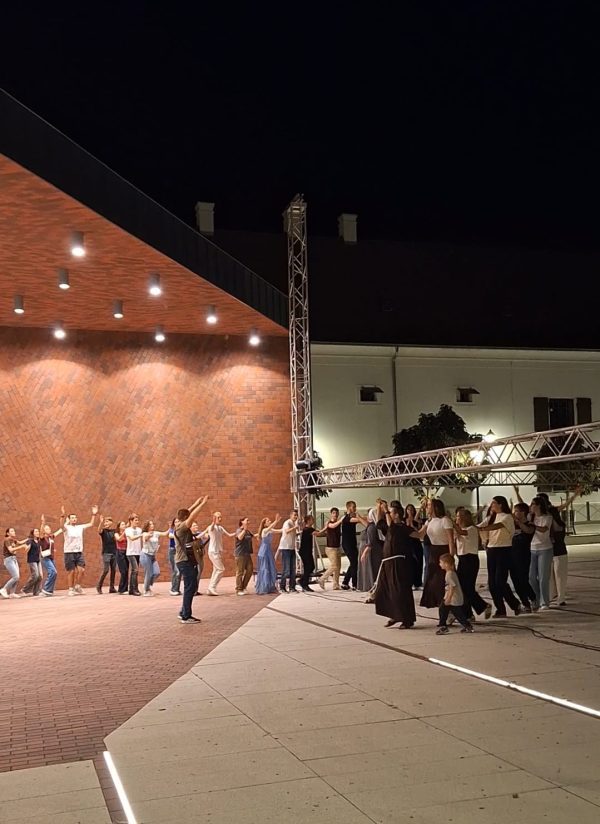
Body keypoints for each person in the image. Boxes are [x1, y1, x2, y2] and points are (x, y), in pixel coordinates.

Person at [374, 502, 418, 629]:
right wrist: (379, 507)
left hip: (400, 564)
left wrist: (386, 510)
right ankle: (394, 614)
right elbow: (379, 522)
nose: (389, 514)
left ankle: (407, 619)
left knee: (400, 590)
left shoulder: (401, 527)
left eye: (391, 512)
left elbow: (418, 534)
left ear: (397, 515)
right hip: (388, 563)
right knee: (386, 590)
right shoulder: (389, 527)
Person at [477, 496, 520, 618]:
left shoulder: (507, 517)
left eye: (494, 503)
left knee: (500, 581)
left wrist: (484, 528)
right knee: (492, 583)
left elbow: (498, 526)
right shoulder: (491, 517)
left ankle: (515, 604)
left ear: (501, 504)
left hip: (504, 550)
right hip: (492, 549)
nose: (492, 505)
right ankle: (500, 609)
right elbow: (479, 526)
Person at [174, 495, 209, 623]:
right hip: (184, 561)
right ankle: (186, 616)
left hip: (184, 560)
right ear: (185, 518)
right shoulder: (182, 527)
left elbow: (188, 513)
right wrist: (202, 504)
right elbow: (192, 516)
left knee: (190, 586)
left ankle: (183, 612)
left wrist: (195, 503)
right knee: (190, 586)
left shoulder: (179, 523)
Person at [454, 509, 492, 621]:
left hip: (470, 560)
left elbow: (463, 533)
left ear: (464, 517)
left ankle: (482, 606)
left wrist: (452, 524)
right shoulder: (460, 530)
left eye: (458, 516)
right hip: (462, 559)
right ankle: (468, 614)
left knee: (468, 588)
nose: (456, 519)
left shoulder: (472, 529)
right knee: (462, 588)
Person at [418, 499, 455, 609]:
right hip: (433, 550)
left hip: (444, 550)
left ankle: (445, 603)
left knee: (443, 578)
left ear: (436, 507)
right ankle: (433, 601)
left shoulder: (445, 520)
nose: (427, 507)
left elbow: (450, 540)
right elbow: (420, 534)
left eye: (429, 505)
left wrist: (451, 557)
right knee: (432, 577)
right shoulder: (429, 521)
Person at [62, 505, 98, 595]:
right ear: (69, 519)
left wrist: (94, 514)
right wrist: (62, 516)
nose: (74, 519)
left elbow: (91, 524)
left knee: (81, 570)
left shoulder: (80, 527)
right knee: (72, 571)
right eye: (72, 518)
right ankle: (71, 589)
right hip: (69, 552)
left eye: (75, 518)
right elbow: (61, 525)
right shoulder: (66, 527)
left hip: (79, 552)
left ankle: (77, 586)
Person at [436, 554, 474, 634]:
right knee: (443, 609)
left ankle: (444, 626)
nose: (439, 564)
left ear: (446, 564)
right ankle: (443, 625)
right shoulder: (451, 573)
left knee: (457, 614)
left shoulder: (449, 574)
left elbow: (452, 587)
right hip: (452, 598)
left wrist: (448, 598)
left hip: (453, 599)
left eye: (441, 562)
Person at [528, 496, 555, 610]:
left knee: (543, 577)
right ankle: (536, 599)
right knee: (531, 577)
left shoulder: (547, 517)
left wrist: (532, 526)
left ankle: (545, 602)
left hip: (545, 549)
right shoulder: (530, 517)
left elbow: (544, 529)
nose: (531, 506)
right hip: (532, 548)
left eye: (533, 504)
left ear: (538, 506)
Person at [511, 504, 537, 612]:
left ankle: (533, 598)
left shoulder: (530, 524)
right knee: (515, 581)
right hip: (512, 555)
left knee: (523, 579)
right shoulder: (513, 525)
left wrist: (518, 522)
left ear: (523, 512)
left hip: (523, 555)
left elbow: (528, 531)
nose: (515, 513)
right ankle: (525, 603)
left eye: (516, 511)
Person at [206, 511, 237, 596]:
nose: (220, 519)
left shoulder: (220, 528)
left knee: (216, 570)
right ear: (214, 518)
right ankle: (212, 587)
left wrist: (237, 532)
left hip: (218, 552)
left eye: (220, 517)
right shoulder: (211, 527)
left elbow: (229, 535)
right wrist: (213, 522)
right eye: (218, 517)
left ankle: (210, 588)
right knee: (221, 569)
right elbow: (211, 528)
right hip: (213, 552)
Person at [359, 503, 385, 599]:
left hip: (375, 553)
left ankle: (375, 591)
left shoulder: (372, 527)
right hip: (377, 551)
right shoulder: (375, 527)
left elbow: (371, 542)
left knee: (375, 570)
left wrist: (364, 553)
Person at [341, 501, 368, 590]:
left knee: (354, 563)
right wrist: (364, 518)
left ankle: (345, 582)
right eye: (354, 507)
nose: (355, 509)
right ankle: (355, 584)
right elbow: (359, 520)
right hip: (347, 544)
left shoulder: (351, 518)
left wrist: (366, 517)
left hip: (352, 544)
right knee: (354, 563)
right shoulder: (347, 518)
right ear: (349, 508)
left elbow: (360, 519)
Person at [141, 521, 170, 596]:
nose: (152, 525)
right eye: (150, 524)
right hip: (145, 555)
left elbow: (165, 533)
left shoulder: (156, 533)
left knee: (157, 572)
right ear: (147, 526)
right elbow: (145, 539)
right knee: (149, 573)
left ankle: (146, 585)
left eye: (152, 524)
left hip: (152, 556)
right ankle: (146, 590)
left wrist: (170, 527)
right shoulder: (145, 533)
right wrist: (149, 535)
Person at [318, 507, 344, 591]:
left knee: (338, 567)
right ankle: (322, 578)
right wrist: (340, 520)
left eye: (336, 513)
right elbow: (332, 526)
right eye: (333, 513)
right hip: (330, 548)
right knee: (334, 566)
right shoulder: (329, 522)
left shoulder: (338, 522)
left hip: (337, 547)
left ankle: (335, 585)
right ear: (331, 514)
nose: (335, 514)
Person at [255, 515, 282, 594]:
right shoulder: (264, 530)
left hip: (268, 551)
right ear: (264, 524)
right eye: (268, 521)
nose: (270, 521)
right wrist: (276, 521)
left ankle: (270, 586)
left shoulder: (270, 530)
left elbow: (279, 530)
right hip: (264, 551)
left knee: (271, 568)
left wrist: (290, 528)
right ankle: (264, 587)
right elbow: (270, 528)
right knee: (265, 569)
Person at [0, 528, 29, 598]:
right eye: (12, 531)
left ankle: (12, 593)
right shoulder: (7, 540)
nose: (14, 532)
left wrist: (29, 539)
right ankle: (4, 589)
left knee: (17, 577)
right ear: (8, 533)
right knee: (16, 576)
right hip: (9, 560)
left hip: (14, 559)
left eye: (13, 531)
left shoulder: (13, 540)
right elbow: (10, 550)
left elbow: (20, 542)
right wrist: (22, 547)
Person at [549, 506, 568, 606]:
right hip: (549, 553)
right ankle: (552, 595)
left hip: (559, 552)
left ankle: (561, 598)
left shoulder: (559, 524)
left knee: (560, 576)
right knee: (550, 577)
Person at [278, 509, 300, 593]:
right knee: (286, 569)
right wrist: (295, 527)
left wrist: (299, 532)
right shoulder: (287, 523)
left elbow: (293, 534)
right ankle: (282, 587)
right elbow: (286, 531)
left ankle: (292, 587)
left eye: (296, 515)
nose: (296, 517)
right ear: (290, 515)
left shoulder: (294, 523)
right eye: (294, 515)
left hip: (292, 548)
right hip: (285, 548)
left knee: (293, 569)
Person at [39, 515, 62, 596]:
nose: (49, 529)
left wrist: (66, 522)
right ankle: (45, 589)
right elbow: (41, 532)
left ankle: (49, 591)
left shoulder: (51, 537)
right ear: (44, 531)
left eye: (49, 528)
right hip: (45, 558)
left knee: (53, 573)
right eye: (47, 529)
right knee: (53, 572)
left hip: (51, 558)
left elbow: (60, 530)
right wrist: (43, 522)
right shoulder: (42, 538)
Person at [96, 515, 118, 594]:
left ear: (111, 522)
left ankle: (111, 588)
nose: (106, 523)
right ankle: (99, 586)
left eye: (107, 521)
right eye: (105, 522)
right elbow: (99, 530)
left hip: (114, 553)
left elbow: (122, 528)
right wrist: (100, 522)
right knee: (106, 570)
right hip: (106, 553)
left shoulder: (114, 531)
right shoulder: (104, 531)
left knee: (113, 570)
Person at [298, 514, 320, 592]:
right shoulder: (307, 529)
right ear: (308, 521)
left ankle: (302, 580)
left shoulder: (310, 529)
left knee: (312, 567)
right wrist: (326, 527)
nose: (313, 520)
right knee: (308, 567)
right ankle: (305, 584)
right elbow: (317, 533)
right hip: (304, 552)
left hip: (308, 551)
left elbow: (318, 532)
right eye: (312, 519)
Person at [234, 518, 254, 596]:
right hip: (240, 554)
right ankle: (238, 589)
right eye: (247, 520)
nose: (248, 521)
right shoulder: (239, 530)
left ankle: (243, 587)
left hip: (247, 554)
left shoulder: (248, 531)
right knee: (240, 572)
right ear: (242, 522)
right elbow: (239, 537)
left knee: (250, 570)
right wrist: (244, 530)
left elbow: (254, 536)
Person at [405, 503, 423, 589]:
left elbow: (419, 531)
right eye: (408, 509)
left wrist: (412, 524)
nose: (410, 511)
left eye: (412, 509)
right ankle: (410, 581)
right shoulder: (404, 520)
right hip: (408, 543)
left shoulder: (417, 520)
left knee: (418, 562)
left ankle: (418, 583)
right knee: (410, 563)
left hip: (416, 542)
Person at [21, 528, 43, 596]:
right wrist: (27, 547)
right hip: (32, 560)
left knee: (40, 576)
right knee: (35, 575)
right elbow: (26, 549)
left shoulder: (38, 541)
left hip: (38, 560)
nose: (37, 532)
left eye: (38, 531)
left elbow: (40, 550)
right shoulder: (30, 540)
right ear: (33, 533)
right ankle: (24, 589)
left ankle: (36, 592)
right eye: (36, 531)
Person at [125, 513, 143, 596]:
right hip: (130, 553)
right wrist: (140, 535)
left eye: (137, 520)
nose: (137, 522)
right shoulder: (128, 530)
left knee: (134, 571)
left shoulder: (139, 530)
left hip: (138, 552)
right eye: (135, 520)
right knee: (135, 569)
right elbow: (131, 538)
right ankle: (135, 589)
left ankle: (131, 590)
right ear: (131, 521)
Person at [167, 519, 181, 596]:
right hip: (173, 551)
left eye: (178, 521)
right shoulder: (172, 530)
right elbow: (170, 535)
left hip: (179, 551)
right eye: (175, 522)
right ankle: (173, 589)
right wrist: (178, 535)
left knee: (179, 571)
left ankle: (176, 589)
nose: (177, 523)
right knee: (176, 571)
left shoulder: (182, 530)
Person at [115, 521, 129, 594]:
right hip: (120, 552)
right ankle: (121, 589)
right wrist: (124, 532)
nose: (124, 525)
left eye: (124, 524)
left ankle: (125, 589)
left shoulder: (127, 533)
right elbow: (119, 539)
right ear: (119, 526)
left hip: (126, 552)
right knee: (123, 571)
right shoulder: (116, 534)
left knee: (126, 570)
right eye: (122, 524)